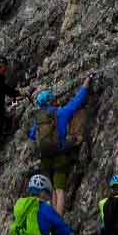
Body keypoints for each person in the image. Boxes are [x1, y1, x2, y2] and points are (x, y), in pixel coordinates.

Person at [26, 78, 93, 212]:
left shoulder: (39, 120)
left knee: (50, 190)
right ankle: (58, 219)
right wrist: (86, 83)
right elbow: (77, 102)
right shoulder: (60, 113)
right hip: (60, 154)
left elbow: (32, 136)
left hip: (44, 157)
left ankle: (52, 217)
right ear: (52, 101)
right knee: (60, 189)